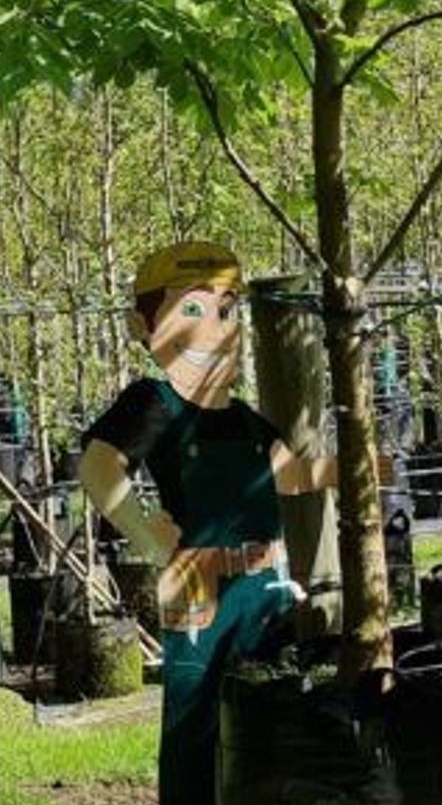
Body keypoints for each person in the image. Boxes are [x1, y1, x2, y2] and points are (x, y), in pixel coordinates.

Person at [77, 242, 337, 805]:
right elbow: (99, 465)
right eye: (191, 311)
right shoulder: (156, 403)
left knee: (265, 706)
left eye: (226, 311)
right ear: (142, 326)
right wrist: (146, 536)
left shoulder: (244, 418)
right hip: (197, 584)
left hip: (264, 583)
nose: (215, 328)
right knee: (195, 718)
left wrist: (359, 467)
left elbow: (291, 477)